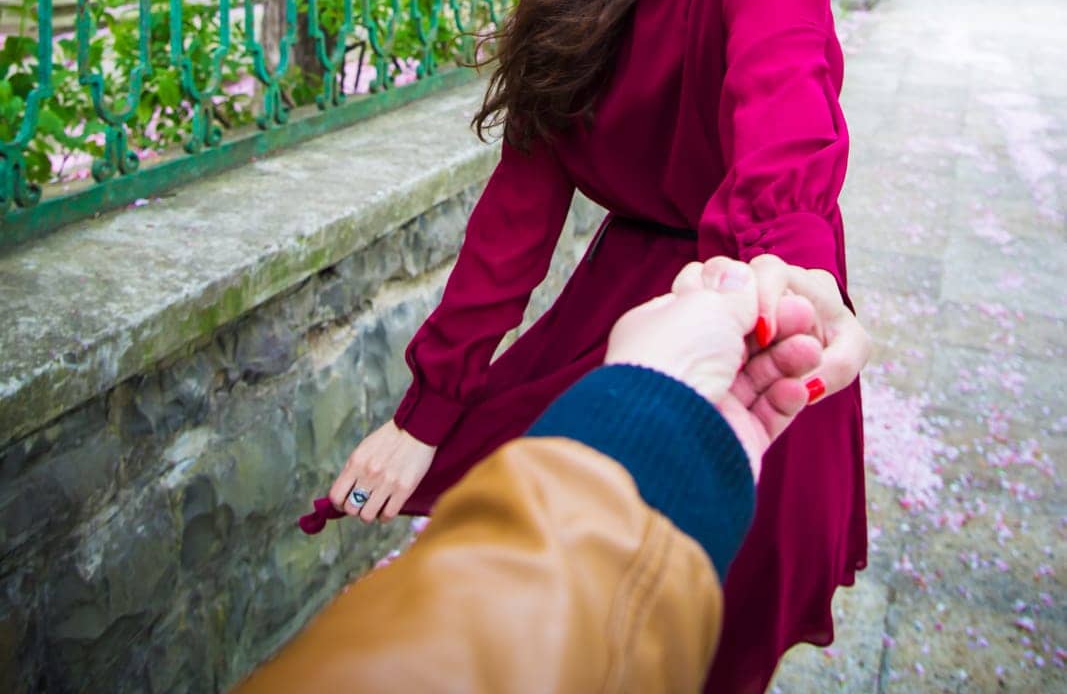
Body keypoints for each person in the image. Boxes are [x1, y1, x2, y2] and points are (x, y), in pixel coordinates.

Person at [331, 0, 868, 694]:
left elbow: (774, 92)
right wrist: (786, 263)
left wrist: (429, 408)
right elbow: (779, 95)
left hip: (682, 300)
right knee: (698, 619)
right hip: (740, 318)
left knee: (588, 608)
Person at [242, 259, 870, 694]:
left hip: (716, 338)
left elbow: (782, 147)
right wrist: (425, 414)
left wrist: (786, 283)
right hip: (677, 337)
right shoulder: (549, 57)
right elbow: (515, 218)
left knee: (706, 643)